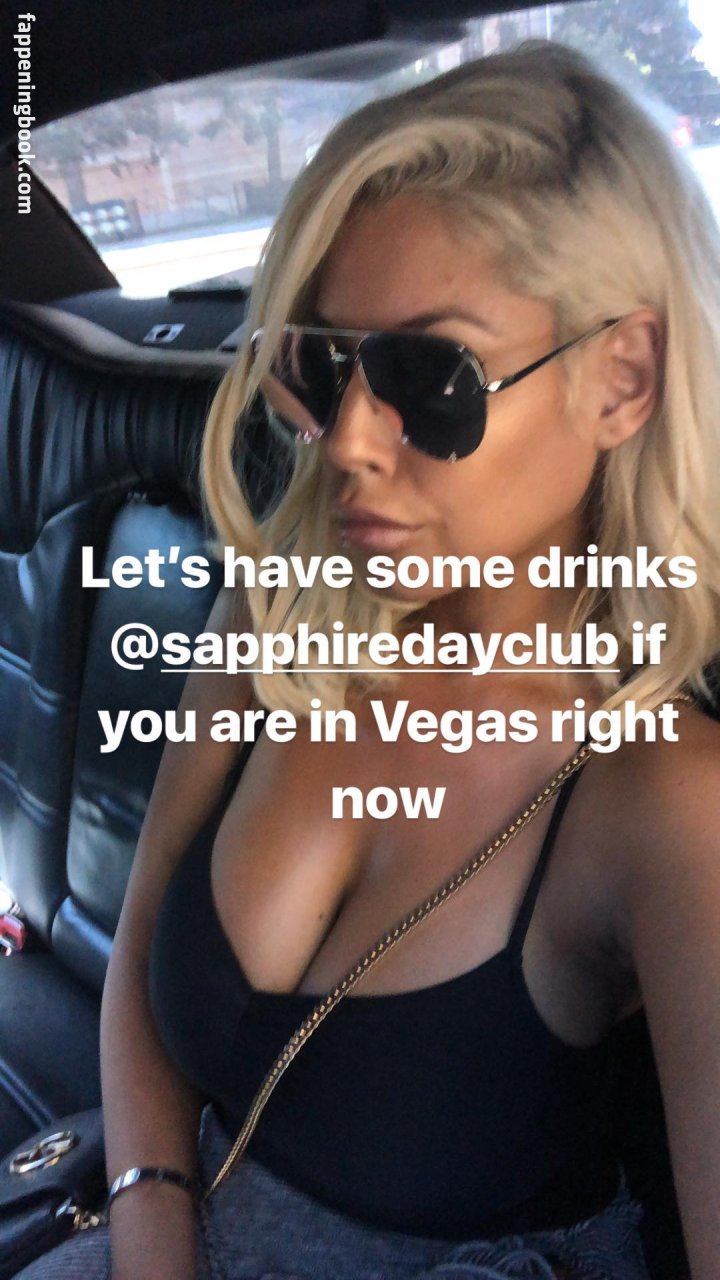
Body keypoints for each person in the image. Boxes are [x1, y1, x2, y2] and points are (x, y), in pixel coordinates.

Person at [14, 37, 720, 1280]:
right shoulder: (282, 614)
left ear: (622, 379)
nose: (345, 442)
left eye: (429, 374)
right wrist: (151, 1230)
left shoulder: (665, 799)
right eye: (323, 363)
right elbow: (138, 967)